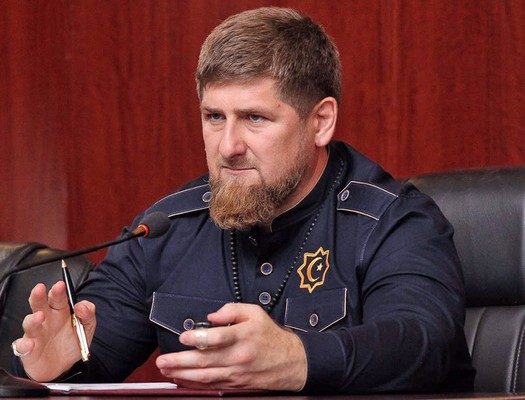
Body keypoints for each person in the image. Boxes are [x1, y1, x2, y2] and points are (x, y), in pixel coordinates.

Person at [11, 7, 475, 393]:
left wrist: (297, 358)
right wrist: (55, 366)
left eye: (255, 118)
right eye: (215, 117)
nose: (228, 146)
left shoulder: (394, 221)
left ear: (320, 122)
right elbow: (93, 350)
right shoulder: (166, 227)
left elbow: (423, 344)